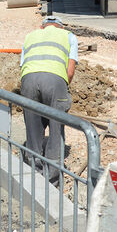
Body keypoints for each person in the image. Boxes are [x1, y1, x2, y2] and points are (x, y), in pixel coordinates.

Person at [21, 16, 77, 184]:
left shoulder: (30, 36)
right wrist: (63, 89)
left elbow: (23, 64)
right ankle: (52, 179)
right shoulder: (68, 36)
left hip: (28, 79)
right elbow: (70, 71)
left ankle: (33, 172)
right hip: (55, 79)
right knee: (56, 126)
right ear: (61, 27)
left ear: (42, 27)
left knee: (32, 126)